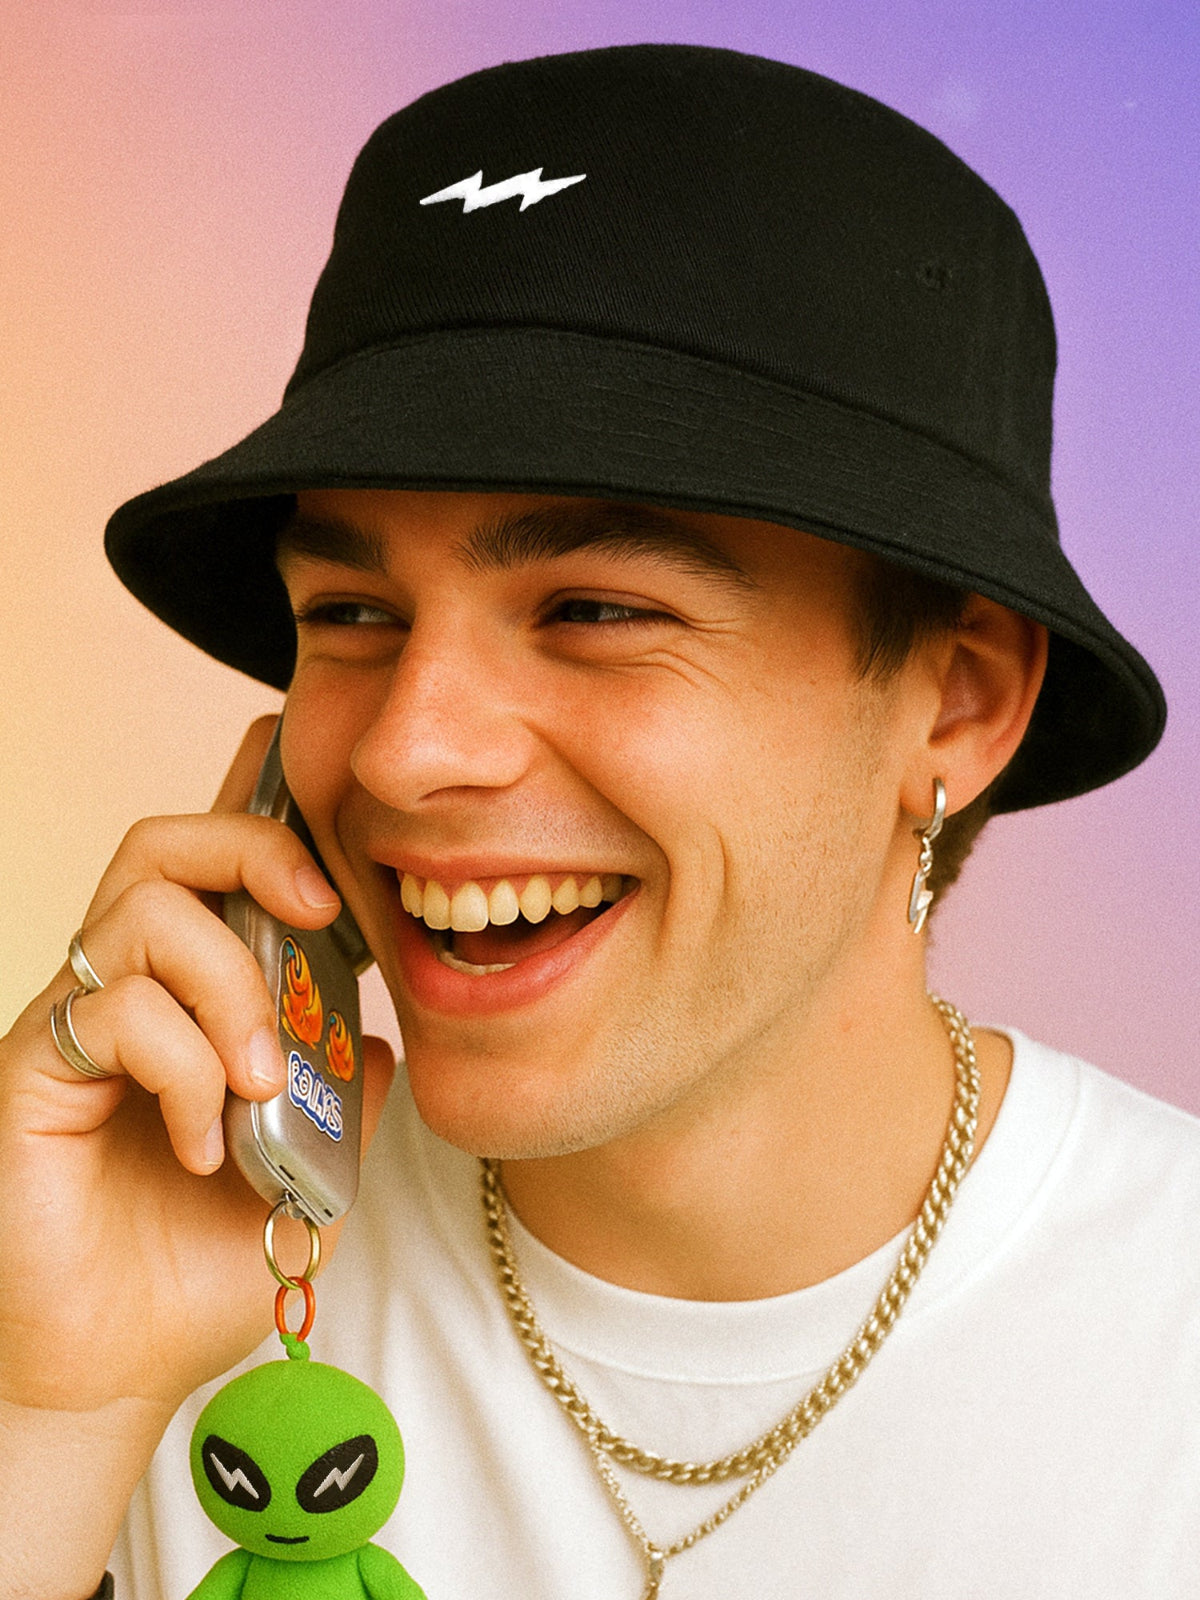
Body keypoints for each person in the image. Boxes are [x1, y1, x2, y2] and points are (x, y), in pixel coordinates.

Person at [1, 43, 1195, 1600]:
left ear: (956, 703)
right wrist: (48, 1416)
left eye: (594, 608)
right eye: (351, 608)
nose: (408, 752)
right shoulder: (160, 1278)